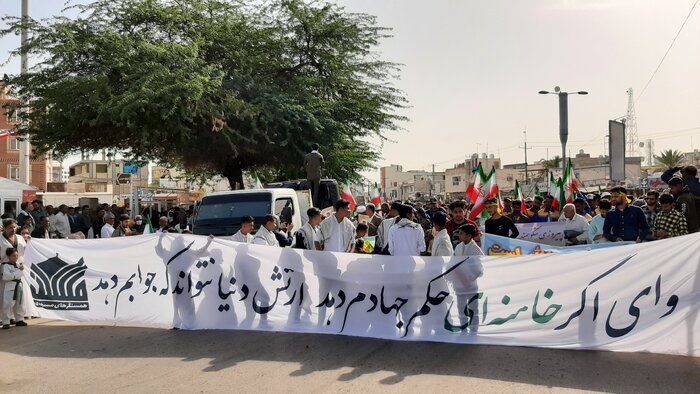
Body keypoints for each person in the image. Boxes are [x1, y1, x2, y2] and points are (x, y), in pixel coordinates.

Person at [1, 219, 27, 328]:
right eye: (10, 227)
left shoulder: (20, 238)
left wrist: (30, 241)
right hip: (5, 268)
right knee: (5, 298)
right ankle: (6, 319)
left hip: (19, 268)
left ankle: (19, 318)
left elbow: (26, 250)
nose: (13, 229)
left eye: (14, 227)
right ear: (4, 228)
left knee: (20, 296)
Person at [1, 248, 27, 329]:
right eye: (13, 256)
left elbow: (21, 274)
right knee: (7, 304)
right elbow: (6, 277)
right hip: (9, 286)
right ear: (9, 256)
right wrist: (18, 272)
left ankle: (19, 319)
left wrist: (16, 273)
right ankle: (6, 322)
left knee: (19, 303)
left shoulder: (19, 265)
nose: (15, 257)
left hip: (18, 284)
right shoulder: (5, 265)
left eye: (16, 255)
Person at [304, 143, 325, 207]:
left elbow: (304, 164)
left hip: (309, 175)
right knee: (316, 192)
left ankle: (308, 204)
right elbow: (323, 164)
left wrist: (308, 169)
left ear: (312, 148)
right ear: (318, 148)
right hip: (317, 175)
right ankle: (314, 205)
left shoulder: (307, 156)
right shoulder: (320, 156)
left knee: (309, 191)